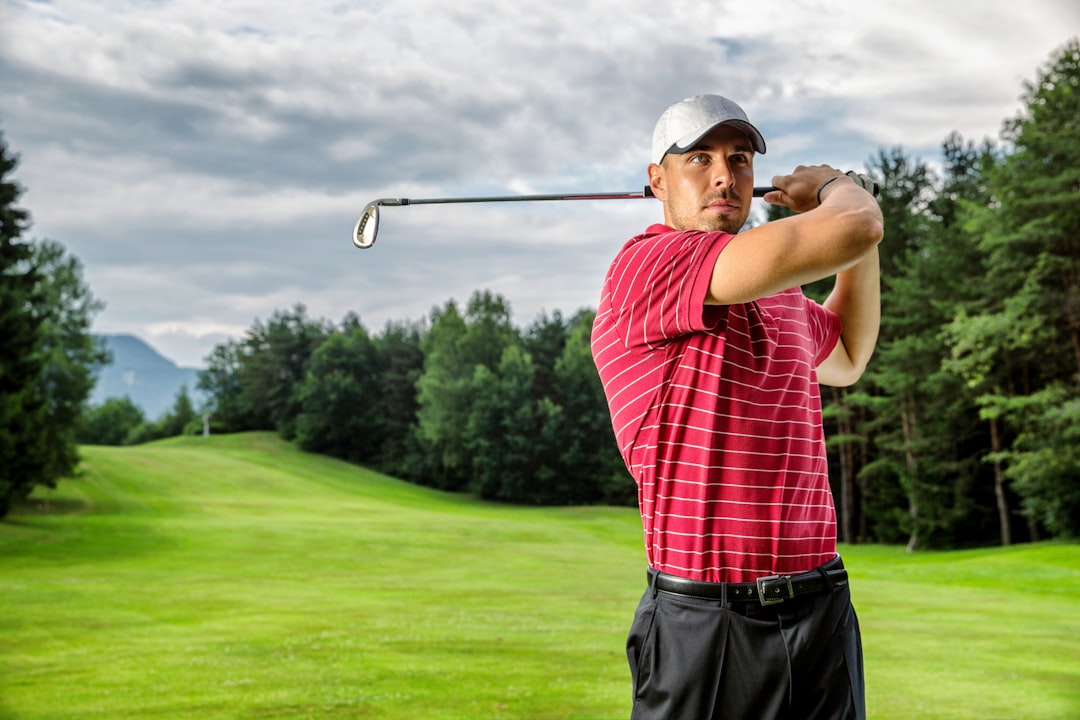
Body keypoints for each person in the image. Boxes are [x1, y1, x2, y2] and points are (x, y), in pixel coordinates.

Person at [591, 94, 883, 720]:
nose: (725, 174)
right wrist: (839, 188)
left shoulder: (779, 297)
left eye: (740, 158)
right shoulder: (647, 267)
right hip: (706, 619)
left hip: (821, 606)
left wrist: (857, 222)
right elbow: (853, 225)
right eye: (700, 158)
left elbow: (850, 353)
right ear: (656, 181)